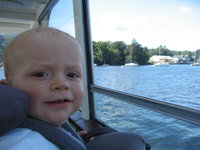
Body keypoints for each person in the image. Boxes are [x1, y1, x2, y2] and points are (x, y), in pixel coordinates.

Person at [0, 27, 87, 150]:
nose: (62, 84)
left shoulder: (40, 127)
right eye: (41, 74)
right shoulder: (22, 144)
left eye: (72, 75)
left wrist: (71, 139)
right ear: (10, 88)